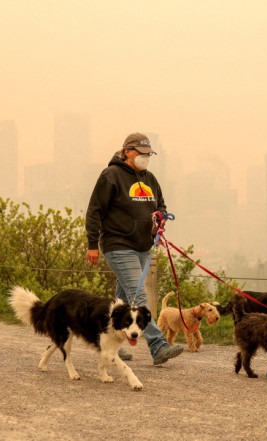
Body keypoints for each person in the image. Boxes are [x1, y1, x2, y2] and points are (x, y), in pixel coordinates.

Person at [85, 132, 184, 365]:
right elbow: (94, 211)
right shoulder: (111, 175)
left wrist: (160, 218)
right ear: (128, 152)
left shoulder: (149, 178)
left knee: (122, 300)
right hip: (118, 245)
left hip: (142, 247)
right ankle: (158, 346)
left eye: (150, 154)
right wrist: (92, 244)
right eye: (143, 154)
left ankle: (110, 342)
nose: (146, 158)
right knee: (139, 295)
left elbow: (161, 204)